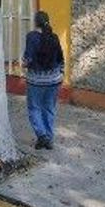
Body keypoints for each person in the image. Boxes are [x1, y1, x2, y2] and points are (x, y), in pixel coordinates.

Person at [22, 11, 64, 150]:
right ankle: (48, 139)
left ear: (35, 22)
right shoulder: (54, 37)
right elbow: (60, 58)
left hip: (36, 81)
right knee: (49, 108)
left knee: (34, 108)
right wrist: (61, 73)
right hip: (54, 80)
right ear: (47, 21)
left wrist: (23, 64)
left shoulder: (31, 37)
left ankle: (42, 135)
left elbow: (28, 59)